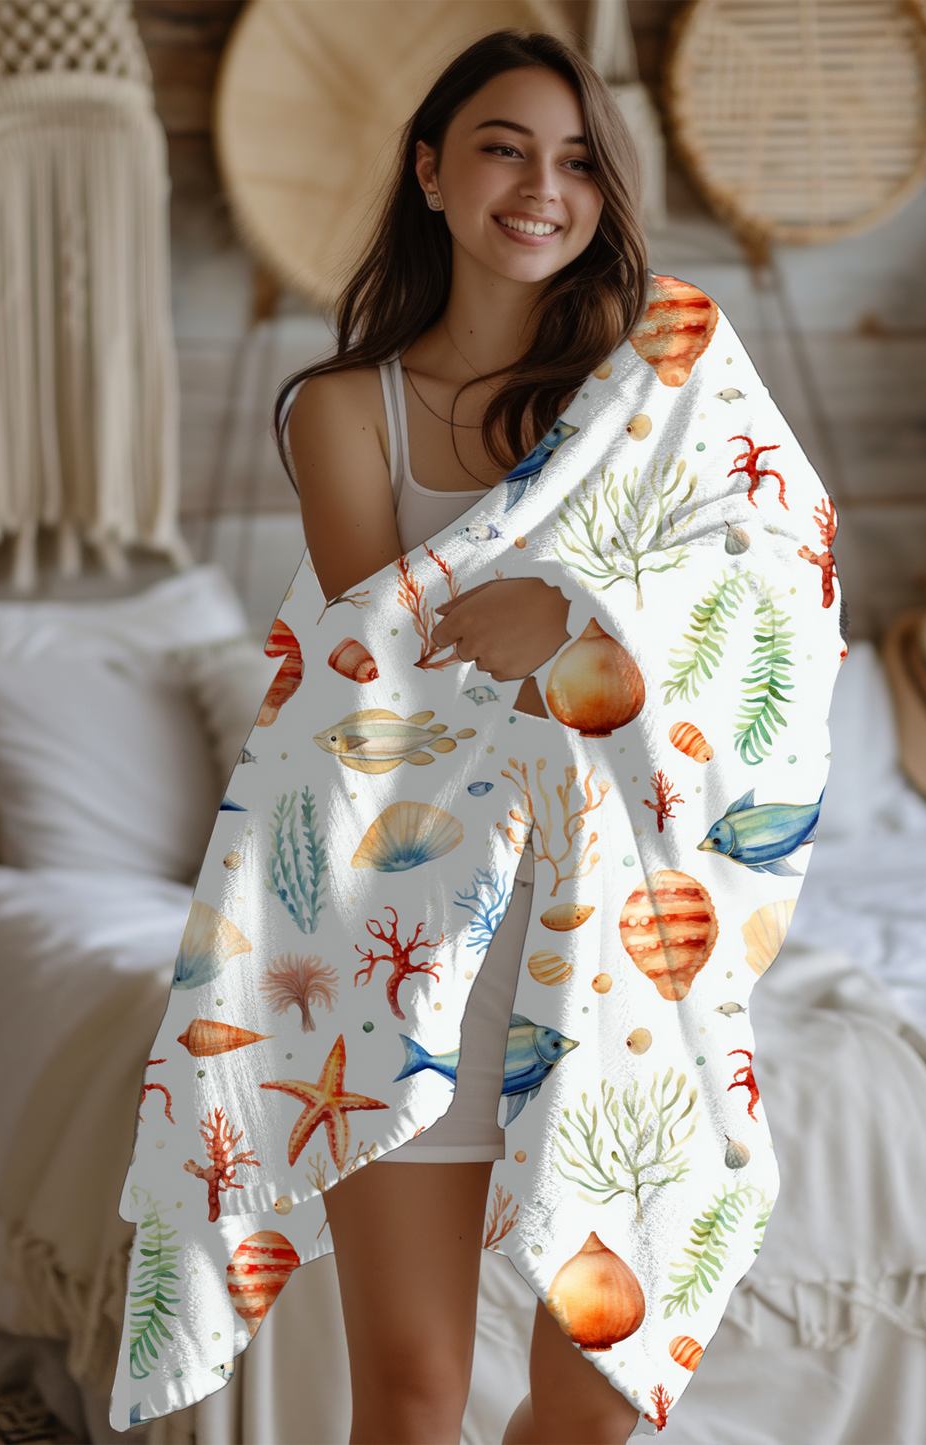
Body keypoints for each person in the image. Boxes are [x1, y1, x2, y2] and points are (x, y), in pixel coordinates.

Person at [274, 29, 648, 1445]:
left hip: (611, 938)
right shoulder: (342, 413)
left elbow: (762, 628)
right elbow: (386, 683)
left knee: (604, 1396)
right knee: (418, 1395)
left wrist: (561, 624)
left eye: (575, 161)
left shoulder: (642, 415)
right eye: (503, 146)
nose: (540, 187)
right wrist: (571, 638)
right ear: (430, 170)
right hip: (410, 942)